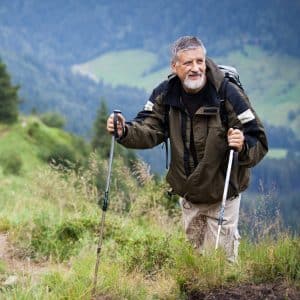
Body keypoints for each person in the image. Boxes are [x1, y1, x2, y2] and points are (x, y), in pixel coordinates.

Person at [106, 36, 268, 262]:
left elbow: (257, 139)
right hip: (189, 197)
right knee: (194, 262)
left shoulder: (227, 93)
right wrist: (123, 131)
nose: (196, 68)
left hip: (222, 194)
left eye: (200, 61)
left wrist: (241, 146)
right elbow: (149, 128)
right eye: (188, 63)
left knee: (219, 265)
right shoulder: (166, 93)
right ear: (175, 66)